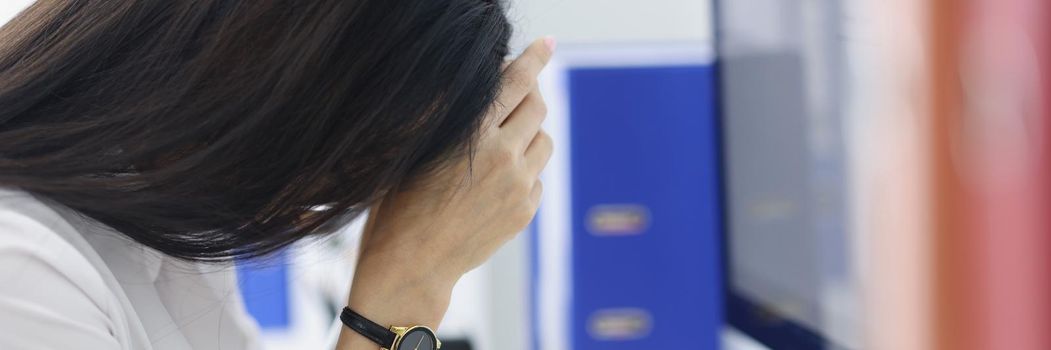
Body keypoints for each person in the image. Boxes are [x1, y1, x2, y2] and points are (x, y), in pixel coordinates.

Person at [0, 1, 553, 349]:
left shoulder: (166, 239)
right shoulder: (22, 263)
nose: (319, 207)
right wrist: (401, 300)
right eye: (345, 161)